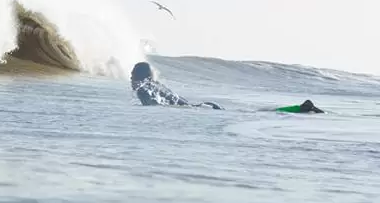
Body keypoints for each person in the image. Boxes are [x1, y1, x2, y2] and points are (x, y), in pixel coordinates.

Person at [129, 61, 324, 113]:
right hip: (204, 106)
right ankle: (299, 108)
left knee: (258, 112)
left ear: (139, 76)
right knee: (257, 111)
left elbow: (156, 109)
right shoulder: (156, 85)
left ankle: (301, 109)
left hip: (201, 109)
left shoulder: (144, 89)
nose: (130, 77)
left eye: (132, 74)